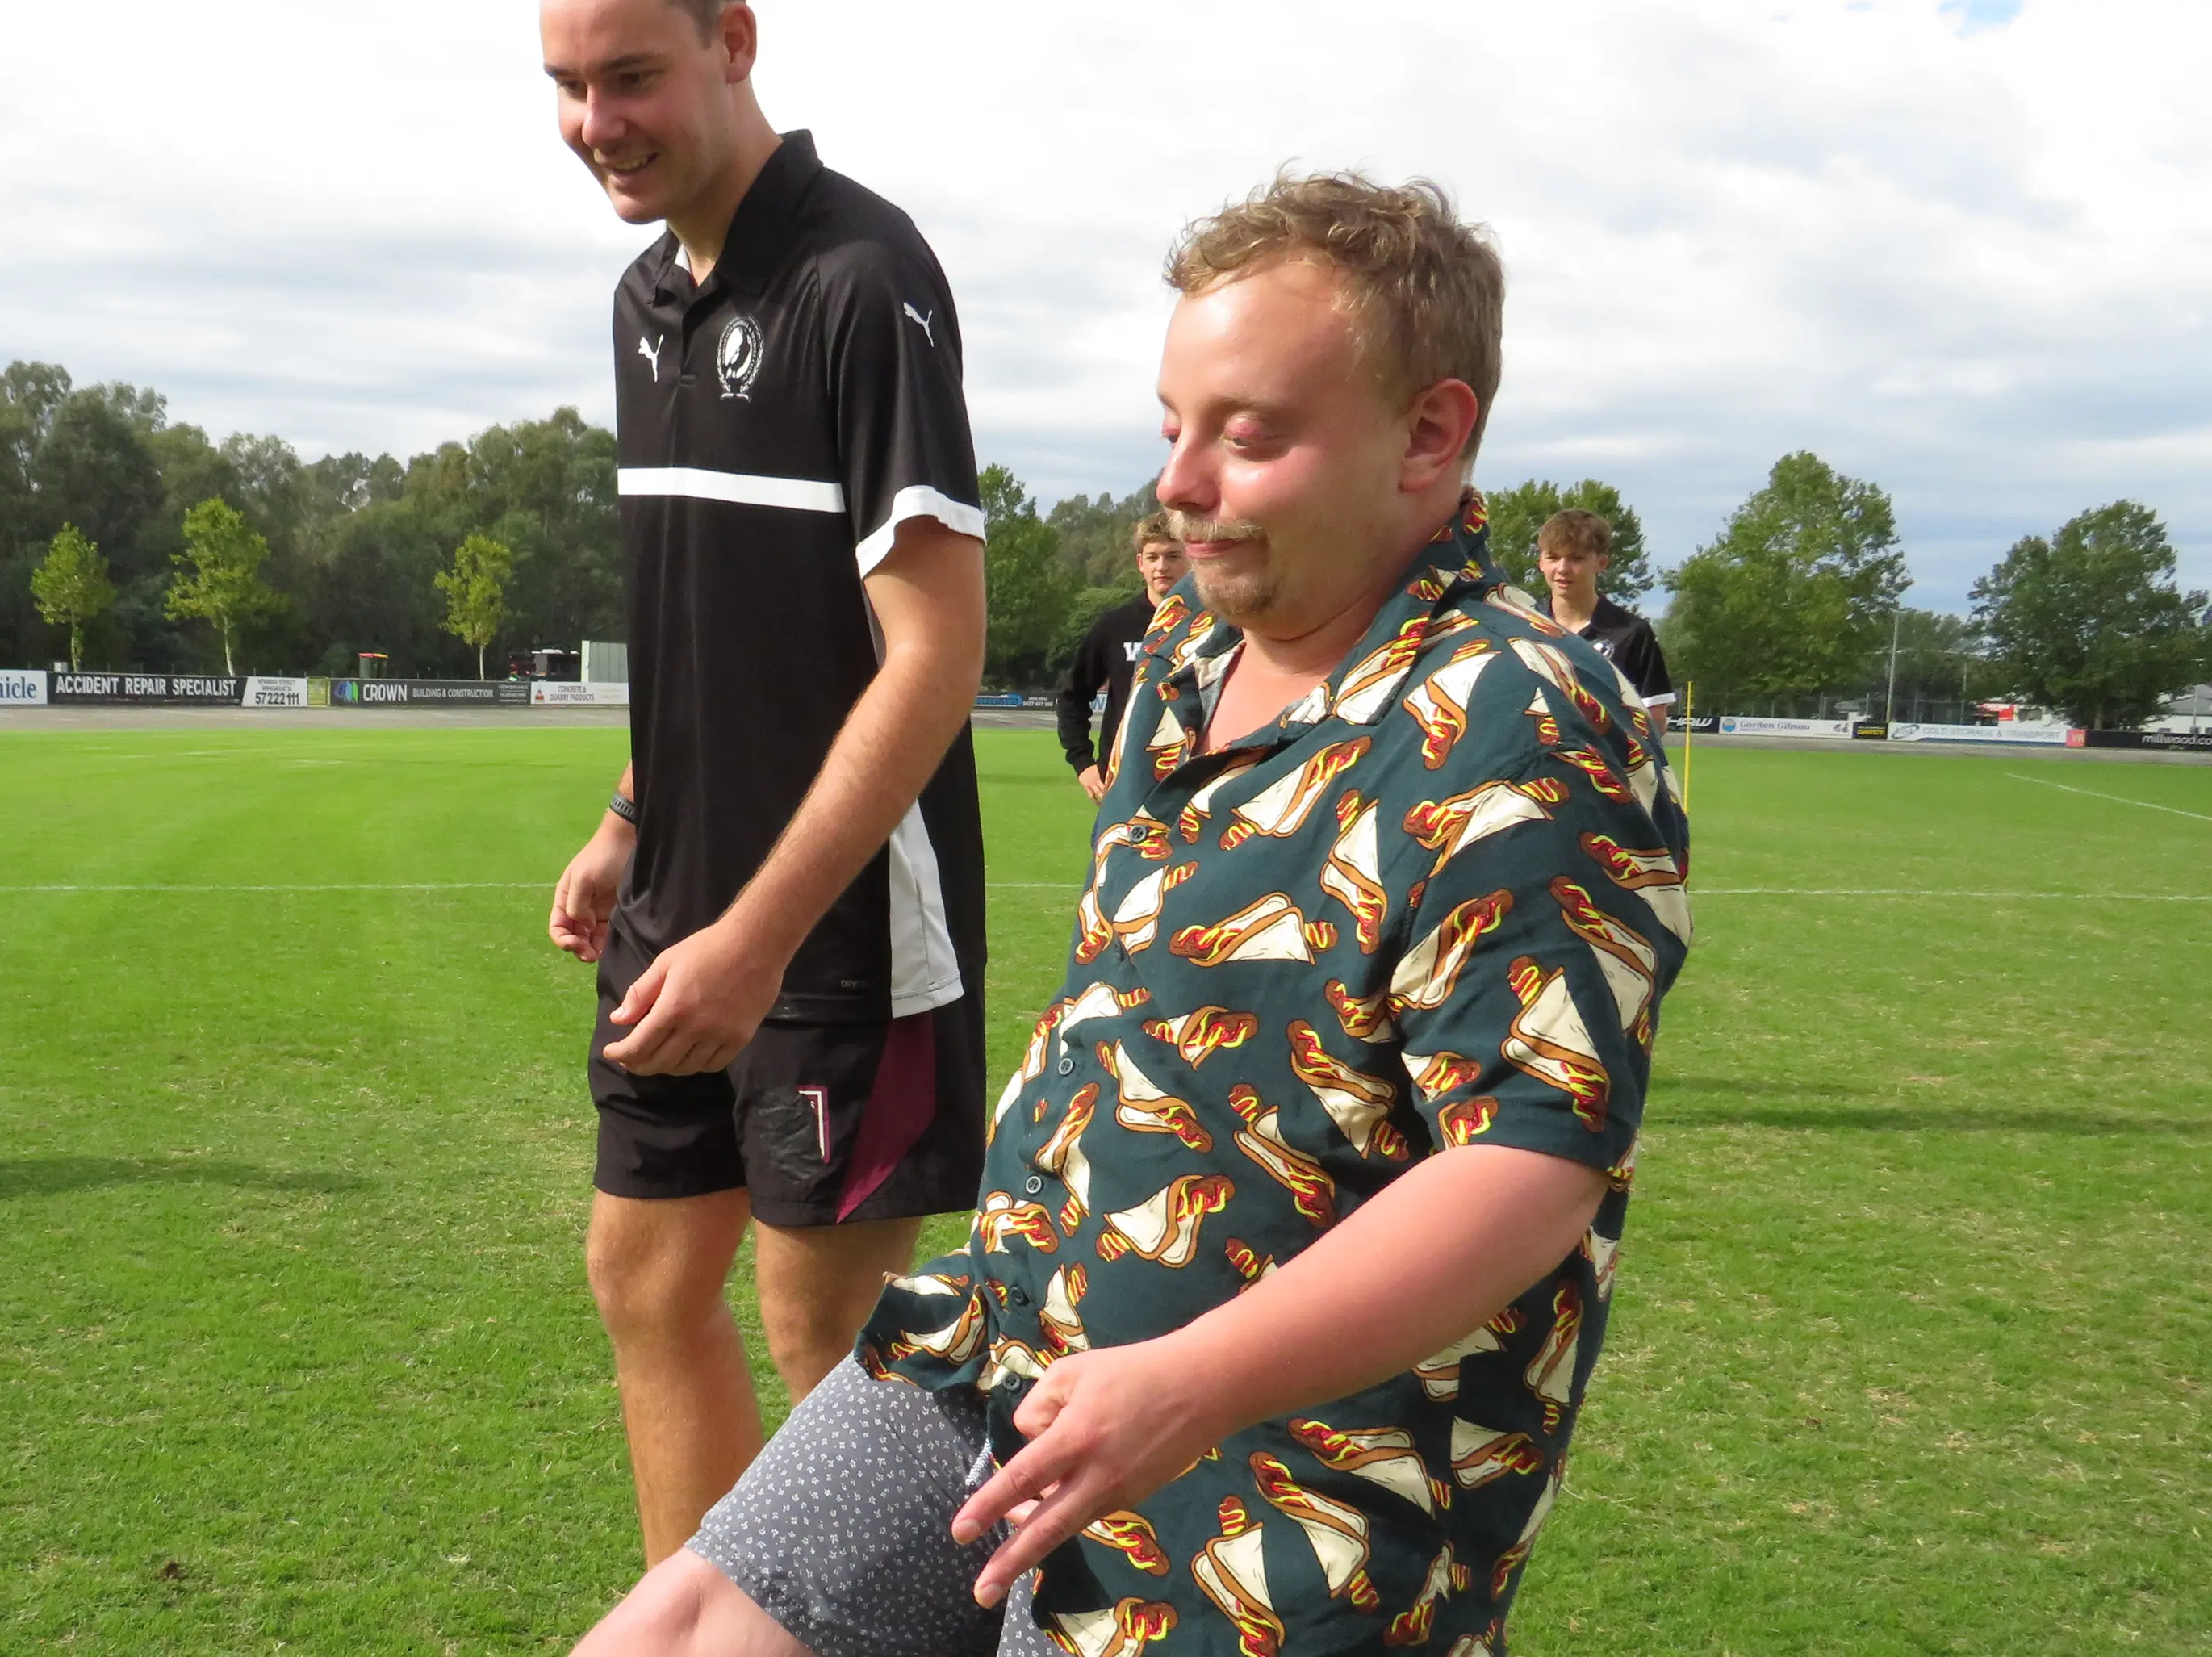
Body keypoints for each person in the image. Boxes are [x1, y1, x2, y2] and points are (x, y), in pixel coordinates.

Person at [575, 174, 1691, 1657]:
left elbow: (1530, 1167)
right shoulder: (1186, 656)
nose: (1181, 481)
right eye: (1174, 427)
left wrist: (1190, 1381)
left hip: (1286, 1495)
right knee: (678, 1626)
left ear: (1430, 434)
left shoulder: (1527, 722)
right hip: (1007, 1343)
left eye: (1250, 435)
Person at [538, 0, 992, 1567]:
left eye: (631, 77)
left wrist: (762, 936)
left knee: (829, 1350)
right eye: (568, 87)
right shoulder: (642, 300)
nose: (597, 123)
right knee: (646, 1286)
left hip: (841, 931)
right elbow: (719, 624)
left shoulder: (861, 276)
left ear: (733, 40)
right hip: (680, 908)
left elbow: (933, 653)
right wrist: (631, 813)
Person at [1055, 514, 1185, 799]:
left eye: (1173, 556)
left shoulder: (1214, 625)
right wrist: (1083, 763)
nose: (1162, 566)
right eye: (1152, 557)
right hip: (1124, 783)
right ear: (1140, 563)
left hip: (1193, 782)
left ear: (1191, 559)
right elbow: (1072, 696)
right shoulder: (1115, 626)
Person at [1536, 507, 1675, 709]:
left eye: (1576, 558)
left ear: (1601, 563)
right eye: (1553, 557)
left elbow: (1655, 718)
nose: (1563, 568)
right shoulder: (1524, 628)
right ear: (1541, 562)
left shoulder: (1632, 633)